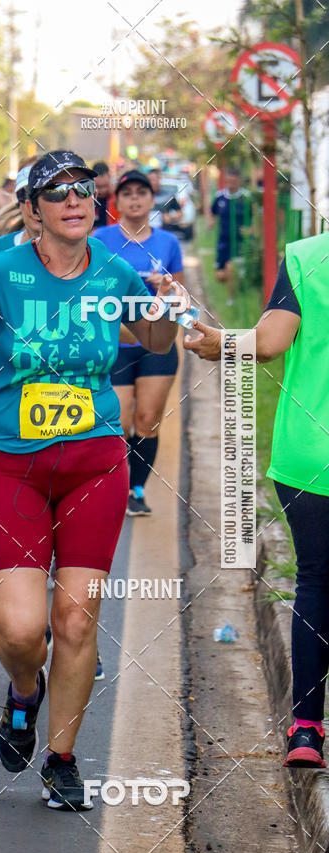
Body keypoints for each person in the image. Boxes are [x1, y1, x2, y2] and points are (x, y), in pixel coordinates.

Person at [0, 150, 186, 809]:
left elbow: (153, 342)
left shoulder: (115, 270)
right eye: (56, 192)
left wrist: (165, 309)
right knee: (20, 632)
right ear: (33, 210)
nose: (74, 200)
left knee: (74, 620)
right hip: (17, 467)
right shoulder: (1, 272)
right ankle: (23, 693)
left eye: (81, 191)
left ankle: (62, 759)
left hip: (95, 460)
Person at [184, 232, 329, 769]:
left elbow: (268, 343)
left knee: (316, 581)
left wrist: (219, 342)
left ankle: (306, 730)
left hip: (309, 456)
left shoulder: (308, 258)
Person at [94, 169, 184, 516]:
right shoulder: (100, 238)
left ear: (151, 199)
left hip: (156, 345)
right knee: (118, 421)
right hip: (115, 343)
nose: (134, 198)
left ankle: (137, 489)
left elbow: (181, 296)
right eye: (127, 193)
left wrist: (165, 287)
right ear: (117, 200)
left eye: (141, 192)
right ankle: (111, 486)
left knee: (147, 420)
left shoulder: (168, 243)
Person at [0, 164, 41, 269]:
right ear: (18, 203)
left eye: (44, 196)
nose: (34, 207)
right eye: (24, 196)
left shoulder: (70, 254)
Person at [207, 168, 248, 305]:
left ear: (239, 182)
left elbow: (256, 217)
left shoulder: (245, 198)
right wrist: (211, 222)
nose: (231, 185)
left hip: (240, 242)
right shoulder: (220, 197)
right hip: (223, 241)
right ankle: (238, 284)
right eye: (229, 182)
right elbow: (212, 212)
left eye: (234, 182)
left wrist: (250, 229)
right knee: (220, 276)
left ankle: (231, 299)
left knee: (231, 268)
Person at [92, 161, 119, 229]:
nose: (102, 191)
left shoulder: (118, 198)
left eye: (105, 186)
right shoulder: (87, 198)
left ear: (109, 178)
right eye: (98, 187)